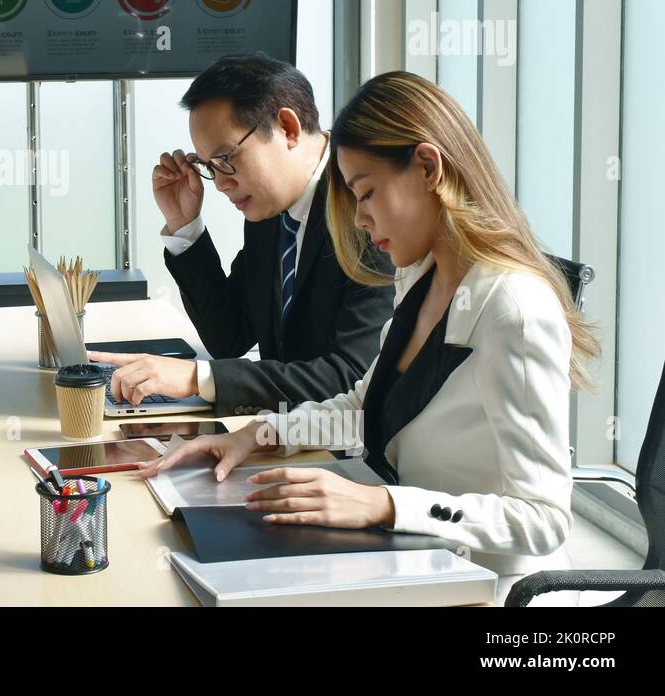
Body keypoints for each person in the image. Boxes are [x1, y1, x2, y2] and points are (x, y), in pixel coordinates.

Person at [140, 70, 597, 602]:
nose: (358, 219)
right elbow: (364, 402)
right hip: (417, 559)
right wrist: (257, 435)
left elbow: (542, 519)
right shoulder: (423, 276)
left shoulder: (513, 310)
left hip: (489, 587)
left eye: (367, 193)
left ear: (428, 168)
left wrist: (382, 506)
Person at [90, 56, 392, 415]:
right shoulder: (269, 209)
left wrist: (197, 379)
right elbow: (230, 337)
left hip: (343, 453)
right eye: (208, 167)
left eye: (226, 159)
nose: (219, 183)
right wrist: (184, 224)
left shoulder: (366, 209)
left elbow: (352, 376)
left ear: (288, 128)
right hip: (283, 434)